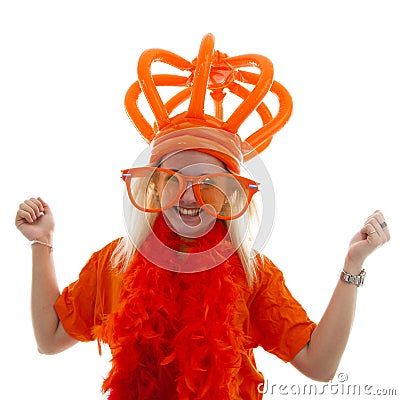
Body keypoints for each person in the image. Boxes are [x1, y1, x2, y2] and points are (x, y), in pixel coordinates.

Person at [15, 34, 390, 400]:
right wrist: (41, 243)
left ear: (230, 195)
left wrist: (352, 265)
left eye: (208, 184)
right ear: (154, 187)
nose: (189, 197)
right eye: (173, 181)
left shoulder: (252, 274)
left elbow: (319, 366)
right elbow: (49, 339)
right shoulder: (115, 264)